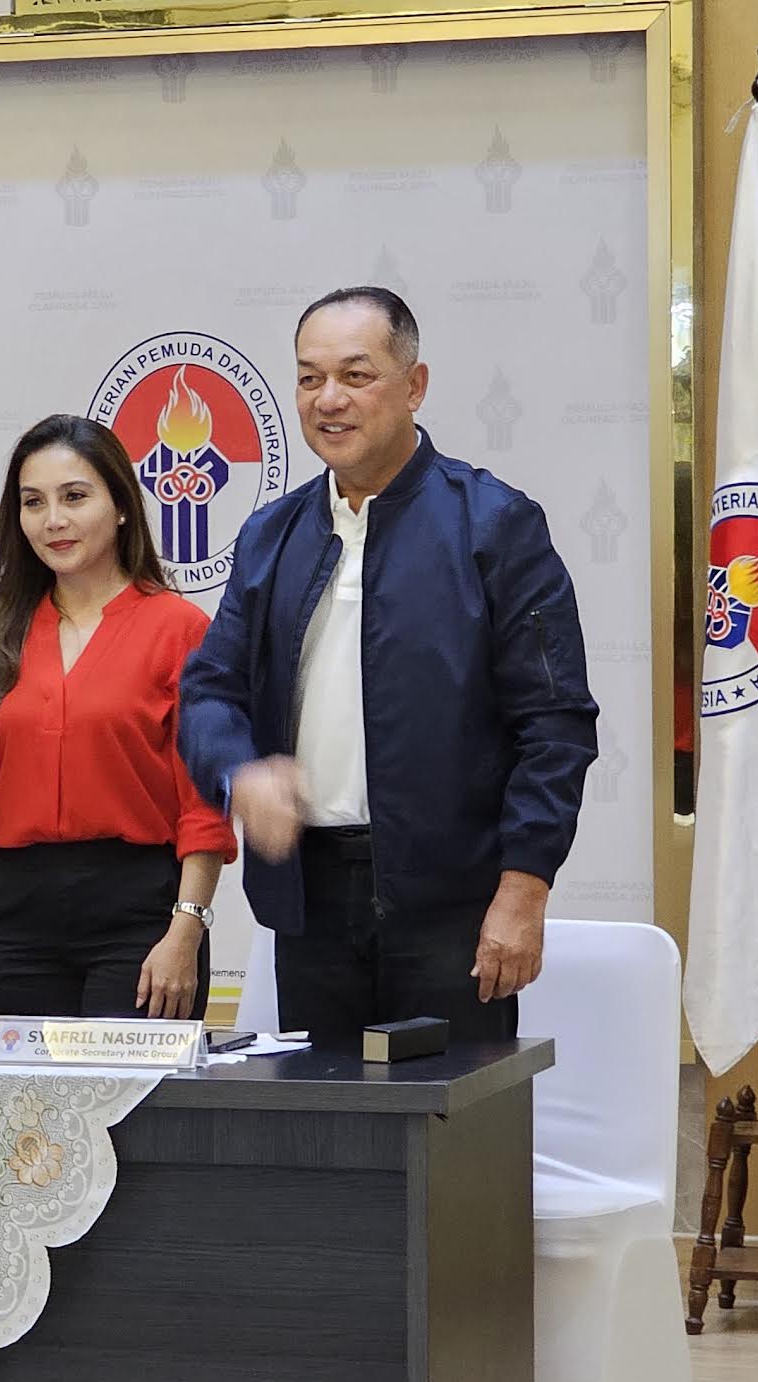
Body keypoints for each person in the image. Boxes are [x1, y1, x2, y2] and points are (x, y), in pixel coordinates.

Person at [180, 286, 596, 1045]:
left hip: (455, 906)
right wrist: (239, 770)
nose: (327, 400)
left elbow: (556, 725)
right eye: (308, 378)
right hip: (311, 899)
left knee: (449, 1145)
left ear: (415, 385)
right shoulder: (271, 535)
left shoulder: (494, 524)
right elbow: (208, 688)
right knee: (333, 1146)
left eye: (355, 375)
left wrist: (524, 885)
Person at [0, 415, 234, 1021]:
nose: (53, 521)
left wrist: (187, 930)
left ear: (121, 505)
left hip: (139, 913)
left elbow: (204, 807)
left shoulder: (179, 629)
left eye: (74, 497)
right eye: (33, 503)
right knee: (26, 1116)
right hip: (14, 917)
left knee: (132, 1112)